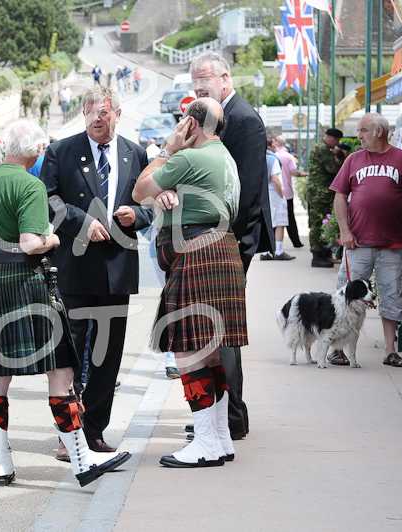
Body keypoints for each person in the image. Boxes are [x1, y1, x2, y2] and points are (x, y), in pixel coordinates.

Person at [0, 119, 131, 487]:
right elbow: (29, 243)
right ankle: (82, 461)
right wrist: (52, 239)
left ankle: (0, 464)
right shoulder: (31, 185)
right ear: (35, 151)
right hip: (27, 282)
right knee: (62, 371)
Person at [132, 98, 245, 467]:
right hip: (221, 251)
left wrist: (168, 149)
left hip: (196, 253)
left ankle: (206, 444)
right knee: (209, 352)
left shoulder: (189, 158)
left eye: (183, 122)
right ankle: (220, 438)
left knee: (188, 353)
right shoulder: (225, 157)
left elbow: (139, 190)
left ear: (191, 126)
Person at [40, 86, 152, 454]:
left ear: (117, 113)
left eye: (103, 113)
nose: (96, 119)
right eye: (90, 112)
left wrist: (137, 215)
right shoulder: (61, 151)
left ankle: (94, 430)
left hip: (116, 270)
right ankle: (67, 431)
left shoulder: (135, 153)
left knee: (107, 355)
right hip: (74, 266)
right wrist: (80, 222)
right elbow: (49, 200)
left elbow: (150, 205)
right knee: (69, 351)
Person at [190, 51, 270, 440]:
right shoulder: (214, 116)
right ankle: (222, 415)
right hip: (217, 240)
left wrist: (224, 240)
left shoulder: (243, 120)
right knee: (214, 329)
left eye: (205, 81)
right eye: (194, 83)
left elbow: (248, 193)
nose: (198, 87)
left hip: (231, 241)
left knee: (221, 330)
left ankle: (231, 418)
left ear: (225, 78)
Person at [330, 113, 402, 368]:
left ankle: (391, 350)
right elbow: (340, 196)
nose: (359, 135)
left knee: (392, 294)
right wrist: (344, 231)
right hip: (358, 243)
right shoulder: (353, 160)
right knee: (346, 295)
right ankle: (338, 348)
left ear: (379, 132)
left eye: (363, 130)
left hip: (393, 244)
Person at [307, 127, 344, 268]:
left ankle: (324, 252)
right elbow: (333, 169)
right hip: (319, 193)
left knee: (322, 222)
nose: (336, 144)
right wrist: (340, 157)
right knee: (317, 223)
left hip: (320, 193)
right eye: (336, 140)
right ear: (331, 138)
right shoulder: (323, 149)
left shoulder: (322, 148)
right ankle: (317, 255)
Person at [261, 140, 295, 261]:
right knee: (280, 222)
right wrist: (282, 194)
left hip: (262, 194)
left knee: (267, 222)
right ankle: (279, 251)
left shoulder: (256, 158)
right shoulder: (272, 159)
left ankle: (266, 252)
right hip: (274, 194)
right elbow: (275, 179)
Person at [272, 136, 304, 248]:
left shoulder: (273, 157)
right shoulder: (288, 157)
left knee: (274, 219)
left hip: (274, 192)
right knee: (290, 218)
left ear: (276, 143)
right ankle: (296, 242)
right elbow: (294, 172)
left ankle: (273, 244)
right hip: (287, 192)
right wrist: (303, 174)